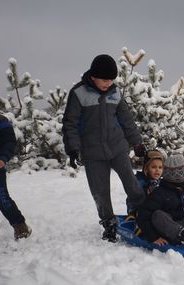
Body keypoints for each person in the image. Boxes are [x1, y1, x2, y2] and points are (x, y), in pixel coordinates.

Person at [62, 54, 146, 242]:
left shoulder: (115, 93)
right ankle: (108, 223)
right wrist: (73, 148)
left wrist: (137, 142)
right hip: (93, 153)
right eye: (104, 79)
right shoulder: (79, 93)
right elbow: (70, 123)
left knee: (132, 184)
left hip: (117, 148)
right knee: (100, 192)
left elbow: (126, 119)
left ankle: (141, 214)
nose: (108, 83)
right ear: (93, 76)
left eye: (111, 79)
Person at [0, 88, 32, 240]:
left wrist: (2, 159)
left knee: (3, 199)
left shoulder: (0, 121)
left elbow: (9, 142)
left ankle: (20, 227)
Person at [125, 149, 164, 218]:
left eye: (160, 167)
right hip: (140, 212)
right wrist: (133, 212)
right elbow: (132, 199)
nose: (157, 170)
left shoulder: (161, 182)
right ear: (146, 168)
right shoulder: (139, 182)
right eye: (153, 167)